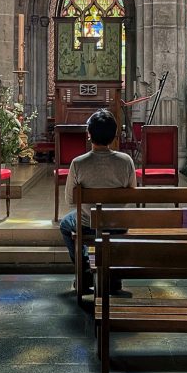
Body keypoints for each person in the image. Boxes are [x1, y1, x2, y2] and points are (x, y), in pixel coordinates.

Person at [59, 108, 137, 294]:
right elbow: (132, 193)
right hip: (117, 223)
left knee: (65, 225)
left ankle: (84, 272)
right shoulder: (126, 161)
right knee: (111, 226)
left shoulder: (78, 163)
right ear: (114, 135)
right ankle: (114, 277)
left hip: (88, 223)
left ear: (89, 134)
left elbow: (70, 199)